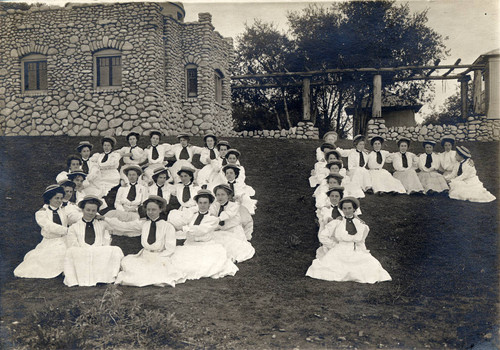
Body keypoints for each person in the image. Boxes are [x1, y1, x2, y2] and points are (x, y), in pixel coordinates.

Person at [306, 197, 391, 283]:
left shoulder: (360, 224)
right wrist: (334, 245)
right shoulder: (337, 222)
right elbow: (323, 236)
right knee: (328, 268)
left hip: (355, 250)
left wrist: (362, 250)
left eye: (349, 208)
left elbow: (361, 240)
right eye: (344, 208)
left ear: (354, 209)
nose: (347, 211)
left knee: (373, 265)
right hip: (339, 250)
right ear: (342, 209)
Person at [107, 195, 185, 287]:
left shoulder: (167, 226)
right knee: (128, 262)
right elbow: (124, 226)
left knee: (156, 269)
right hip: (145, 255)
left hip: (160, 256)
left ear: (160, 210)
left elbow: (170, 248)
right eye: (148, 210)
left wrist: (159, 257)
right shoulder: (144, 224)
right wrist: (105, 219)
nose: (150, 212)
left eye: (154, 210)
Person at [170, 190, 239, 280]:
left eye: (205, 203)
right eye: (200, 203)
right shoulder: (193, 216)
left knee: (204, 266)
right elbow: (181, 221)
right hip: (190, 244)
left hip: (205, 245)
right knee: (180, 263)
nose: (202, 205)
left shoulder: (213, 219)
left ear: (209, 204)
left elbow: (200, 230)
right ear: (197, 204)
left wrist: (183, 228)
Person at [63, 196, 124, 287]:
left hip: (98, 252)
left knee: (116, 249)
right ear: (82, 210)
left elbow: (117, 228)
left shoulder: (102, 224)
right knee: (70, 251)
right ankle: (78, 278)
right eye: (88, 210)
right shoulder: (74, 227)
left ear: (96, 211)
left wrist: (104, 218)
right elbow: (73, 245)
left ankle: (108, 277)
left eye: (93, 211)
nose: (91, 213)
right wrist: (86, 250)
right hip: (81, 253)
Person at [14, 185, 70, 278]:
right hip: (50, 241)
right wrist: (67, 230)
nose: (59, 201)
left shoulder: (63, 210)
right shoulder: (41, 213)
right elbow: (49, 226)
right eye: (56, 198)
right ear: (49, 198)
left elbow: (75, 217)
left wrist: (95, 216)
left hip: (64, 239)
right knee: (42, 260)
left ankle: (67, 269)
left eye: (61, 198)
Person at [209, 184, 255, 263]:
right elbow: (211, 214)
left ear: (228, 196)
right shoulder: (215, 205)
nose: (220, 197)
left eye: (223, 194)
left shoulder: (233, 206)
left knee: (231, 244)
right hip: (220, 229)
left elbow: (227, 214)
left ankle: (230, 257)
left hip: (233, 230)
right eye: (218, 195)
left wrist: (217, 220)